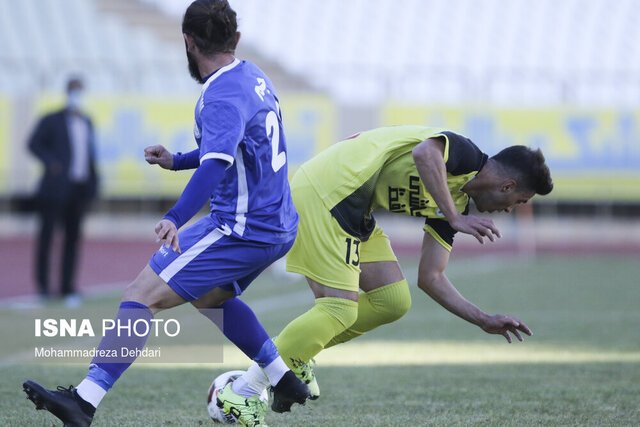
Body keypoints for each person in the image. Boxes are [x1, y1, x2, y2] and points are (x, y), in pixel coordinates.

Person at [23, 1, 309, 426]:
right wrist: (177, 161)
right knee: (211, 297)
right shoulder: (253, 76)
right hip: (276, 222)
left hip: (241, 227)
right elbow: (233, 146)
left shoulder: (218, 96)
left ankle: (83, 402)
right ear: (236, 40)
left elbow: (218, 163)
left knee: (141, 295)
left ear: (188, 42)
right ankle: (282, 377)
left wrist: (175, 216)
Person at [224, 125, 554, 418]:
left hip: (353, 208)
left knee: (393, 300)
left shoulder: (454, 203)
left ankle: (295, 354)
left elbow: (431, 277)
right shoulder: (466, 157)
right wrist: (454, 217)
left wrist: (483, 319)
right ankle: (243, 392)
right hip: (327, 193)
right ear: (508, 186)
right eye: (519, 202)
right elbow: (425, 152)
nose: (511, 210)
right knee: (338, 308)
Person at [28, 76, 98, 307]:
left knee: (72, 239)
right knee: (47, 238)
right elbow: (33, 143)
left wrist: (93, 185)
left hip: (77, 190)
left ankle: (67, 288)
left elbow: (89, 156)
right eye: (74, 91)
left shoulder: (87, 121)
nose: (77, 96)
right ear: (67, 92)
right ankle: (43, 288)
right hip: (54, 190)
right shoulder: (52, 119)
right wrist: (51, 163)